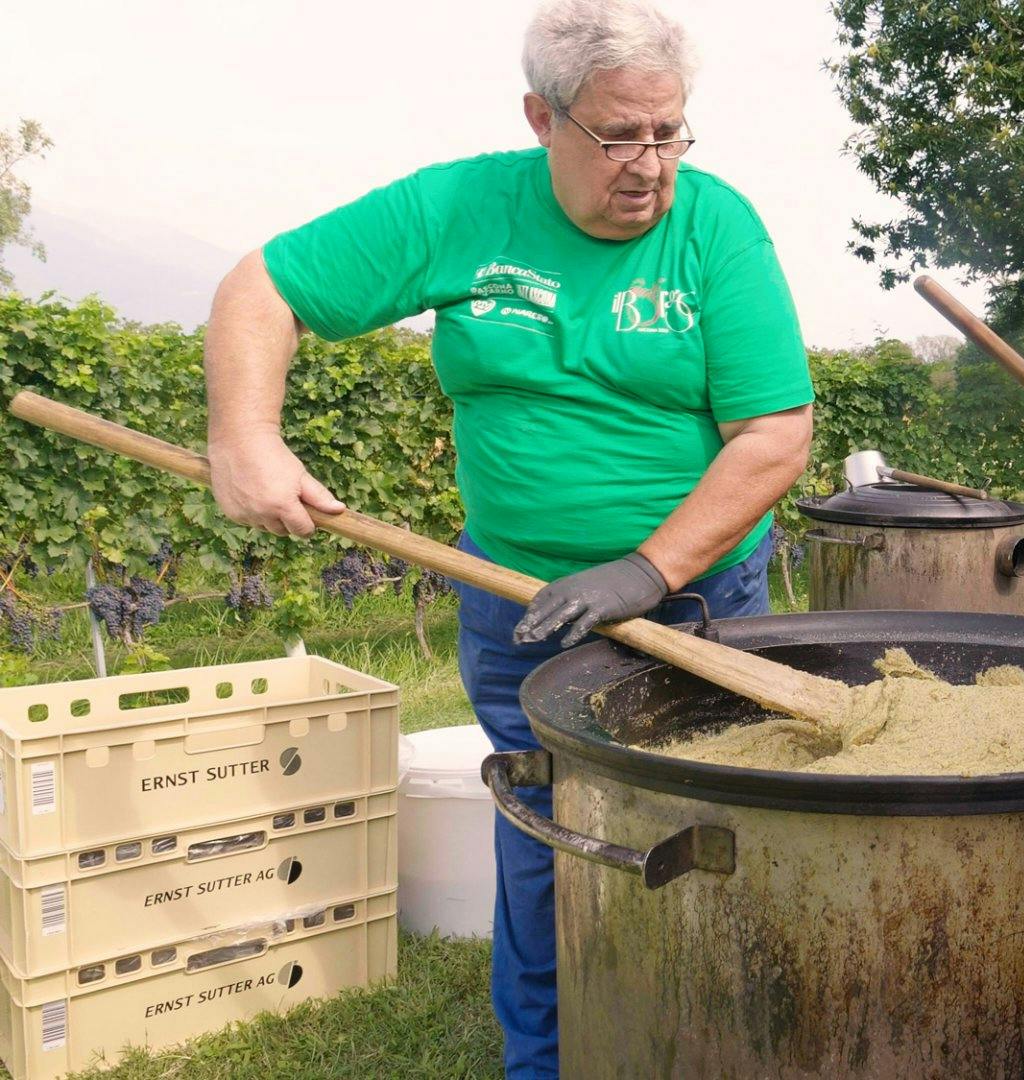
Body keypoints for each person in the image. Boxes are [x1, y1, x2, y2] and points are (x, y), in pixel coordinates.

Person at [201, 3, 815, 1076]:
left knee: (713, 827)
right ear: (543, 117)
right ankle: (547, 1060)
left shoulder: (716, 226)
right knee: (546, 824)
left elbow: (774, 435)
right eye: (621, 135)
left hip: (699, 598)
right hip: (517, 596)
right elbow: (265, 286)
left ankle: (721, 1042)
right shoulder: (464, 207)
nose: (650, 167)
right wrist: (246, 436)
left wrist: (647, 570)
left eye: (671, 133)